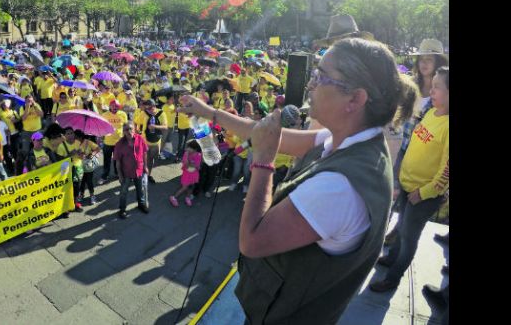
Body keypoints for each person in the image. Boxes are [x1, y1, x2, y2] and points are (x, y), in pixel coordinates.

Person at [178, 37, 418, 324]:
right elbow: (264, 133)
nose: (310, 85)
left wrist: (263, 160)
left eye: (321, 77)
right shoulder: (352, 140)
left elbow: (251, 242)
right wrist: (210, 113)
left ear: (355, 99)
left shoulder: (339, 188)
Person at [370, 67, 449, 292]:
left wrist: (423, 193)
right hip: (407, 186)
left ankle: (393, 278)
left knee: (409, 237)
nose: (431, 91)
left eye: (437, 87)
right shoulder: (431, 113)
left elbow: (446, 172)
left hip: (422, 195)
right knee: (401, 228)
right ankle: (392, 259)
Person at [385, 39, 449, 245]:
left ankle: (399, 233)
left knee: (410, 197)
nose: (424, 63)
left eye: (430, 59)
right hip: (402, 145)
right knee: (394, 190)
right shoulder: (410, 83)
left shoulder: (444, 93)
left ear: (438, 62)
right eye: (422, 58)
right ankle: (390, 228)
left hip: (424, 154)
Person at [112, 122, 149, 219]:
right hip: (126, 172)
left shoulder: (140, 139)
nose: (129, 131)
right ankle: (122, 209)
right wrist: (120, 175)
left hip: (139, 170)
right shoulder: (119, 144)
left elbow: (144, 153)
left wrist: (145, 166)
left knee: (140, 189)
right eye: (126, 130)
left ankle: (141, 204)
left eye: (130, 129)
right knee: (124, 192)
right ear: (123, 132)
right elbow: (118, 162)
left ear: (134, 129)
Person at [56, 127, 85, 212]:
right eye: (68, 134)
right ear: (64, 136)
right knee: (67, 188)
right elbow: (59, 161)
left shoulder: (78, 143)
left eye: (71, 133)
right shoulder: (61, 146)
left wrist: (81, 154)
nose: (70, 135)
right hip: (67, 170)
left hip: (78, 168)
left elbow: (82, 156)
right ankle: (66, 206)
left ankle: (76, 203)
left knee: (77, 186)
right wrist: (69, 155)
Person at [99, 100, 129, 184]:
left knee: (118, 160)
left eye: (116, 106)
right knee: (107, 160)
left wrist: (127, 138)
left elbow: (126, 127)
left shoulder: (123, 114)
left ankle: (117, 174)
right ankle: (105, 176)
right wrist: (100, 137)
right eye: (113, 105)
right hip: (108, 142)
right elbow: (101, 127)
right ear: (109, 106)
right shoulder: (104, 115)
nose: (115, 107)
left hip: (119, 142)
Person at [169, 140, 202, 207]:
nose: (187, 149)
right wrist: (187, 158)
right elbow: (186, 165)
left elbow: (197, 166)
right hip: (186, 174)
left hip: (194, 174)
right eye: (188, 147)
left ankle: (187, 197)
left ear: (195, 149)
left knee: (191, 187)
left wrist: (193, 165)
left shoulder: (198, 155)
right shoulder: (186, 154)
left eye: (189, 147)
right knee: (184, 187)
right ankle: (173, 197)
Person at [75, 129, 102, 204]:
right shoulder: (75, 143)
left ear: (80, 137)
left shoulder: (87, 142)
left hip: (89, 165)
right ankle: (81, 194)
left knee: (89, 181)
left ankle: (92, 196)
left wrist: (92, 154)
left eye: (76, 137)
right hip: (79, 166)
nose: (75, 139)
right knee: (82, 181)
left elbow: (98, 148)